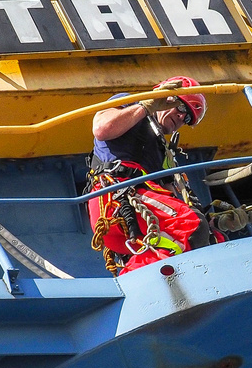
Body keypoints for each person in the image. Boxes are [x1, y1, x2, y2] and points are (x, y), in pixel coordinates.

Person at [87, 77, 215, 274]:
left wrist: (217, 222)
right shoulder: (130, 103)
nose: (182, 118)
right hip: (115, 197)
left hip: (137, 215)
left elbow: (171, 199)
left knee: (211, 236)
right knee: (191, 225)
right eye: (181, 108)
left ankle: (135, 277)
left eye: (187, 118)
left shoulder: (160, 151)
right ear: (165, 97)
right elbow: (102, 129)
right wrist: (147, 105)